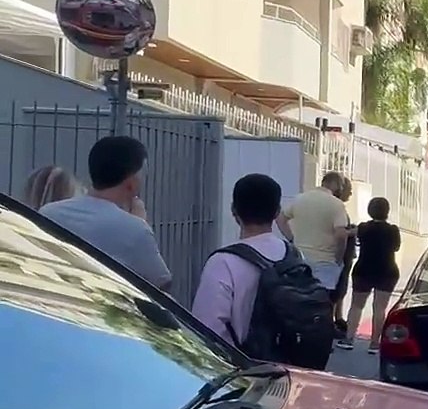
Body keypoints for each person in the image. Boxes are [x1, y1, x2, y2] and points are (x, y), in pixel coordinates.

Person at [195, 173, 335, 368]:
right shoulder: (293, 254)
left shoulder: (223, 262)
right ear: (277, 211)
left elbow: (207, 329)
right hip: (290, 370)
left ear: (234, 210)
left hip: (245, 374)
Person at [39, 135, 172, 291]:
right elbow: (162, 282)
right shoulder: (136, 230)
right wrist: (139, 222)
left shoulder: (48, 213)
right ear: (131, 183)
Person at [337, 196, 402, 353]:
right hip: (387, 271)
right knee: (380, 308)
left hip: (363, 270)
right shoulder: (393, 230)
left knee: (356, 306)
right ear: (387, 211)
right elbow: (396, 248)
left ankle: (349, 339)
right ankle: (374, 343)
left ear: (370, 210)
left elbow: (349, 233)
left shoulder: (363, 227)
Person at [276, 171, 352, 304]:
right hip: (325, 261)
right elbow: (341, 235)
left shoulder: (300, 199)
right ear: (336, 185)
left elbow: (280, 219)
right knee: (322, 304)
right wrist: (339, 259)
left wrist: (292, 239)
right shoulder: (337, 205)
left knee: (300, 301)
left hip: (300, 260)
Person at [332, 176, 357, 334]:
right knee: (337, 287)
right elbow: (339, 233)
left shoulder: (339, 208)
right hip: (341, 254)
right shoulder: (337, 208)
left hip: (346, 254)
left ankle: (338, 317)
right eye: (349, 190)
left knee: (341, 287)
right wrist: (353, 231)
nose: (351, 193)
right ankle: (334, 320)